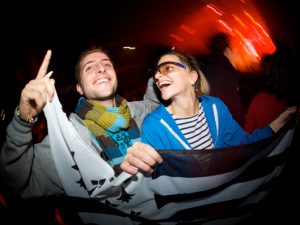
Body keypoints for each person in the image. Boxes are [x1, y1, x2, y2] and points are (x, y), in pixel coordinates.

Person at [0, 46, 160, 211]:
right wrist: (22, 121)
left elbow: (155, 103)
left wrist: (161, 70)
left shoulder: (139, 112)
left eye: (107, 64)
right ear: (80, 88)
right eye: (89, 67)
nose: (101, 69)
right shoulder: (70, 139)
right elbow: (18, 184)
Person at [120, 49, 297, 174]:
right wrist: (139, 165)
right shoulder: (154, 125)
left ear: (192, 77)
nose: (157, 76)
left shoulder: (216, 107)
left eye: (168, 68)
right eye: (157, 72)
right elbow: (157, 180)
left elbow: (242, 145)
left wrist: (275, 125)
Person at [244, 45, 299, 133]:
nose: (262, 68)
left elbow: (247, 139)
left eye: (265, 65)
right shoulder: (294, 104)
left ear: (273, 69)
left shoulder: (261, 100)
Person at [202, 32, 244, 125]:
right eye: (238, 48)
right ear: (228, 51)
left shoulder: (219, 70)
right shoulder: (222, 75)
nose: (241, 52)